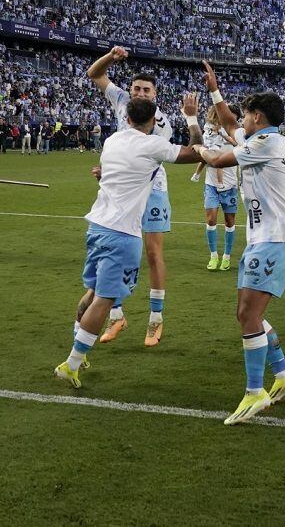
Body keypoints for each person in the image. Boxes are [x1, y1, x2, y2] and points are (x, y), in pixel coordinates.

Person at [54, 95, 203, 390]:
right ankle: (71, 363)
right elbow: (198, 151)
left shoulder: (112, 141)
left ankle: (77, 352)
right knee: (105, 299)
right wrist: (191, 118)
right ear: (152, 121)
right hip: (123, 233)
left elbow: (108, 174)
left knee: (94, 290)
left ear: (128, 118)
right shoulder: (153, 145)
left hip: (97, 225)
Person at [194, 62, 285, 423]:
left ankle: (255, 392)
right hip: (262, 239)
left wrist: (198, 146)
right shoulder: (263, 137)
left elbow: (218, 156)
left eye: (246, 115)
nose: (241, 120)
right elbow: (227, 122)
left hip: (274, 240)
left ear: (257, 116)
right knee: (248, 314)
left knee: (248, 315)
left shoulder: (267, 142)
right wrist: (214, 89)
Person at [87, 46, 176, 347]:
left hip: (151, 190)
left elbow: (149, 162)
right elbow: (94, 74)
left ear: (155, 95)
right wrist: (111, 58)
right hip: (121, 188)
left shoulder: (161, 124)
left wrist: (116, 170)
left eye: (146, 90)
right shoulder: (121, 100)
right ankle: (116, 316)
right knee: (110, 252)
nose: (139, 92)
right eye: (136, 87)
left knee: (152, 254)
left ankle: (155, 320)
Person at [192, 104, 242, 271]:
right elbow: (204, 154)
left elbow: (239, 146)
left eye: (233, 117)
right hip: (211, 184)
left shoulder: (238, 136)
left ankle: (226, 257)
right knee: (211, 219)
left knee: (229, 221)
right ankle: (213, 255)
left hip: (230, 185)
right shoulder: (212, 133)